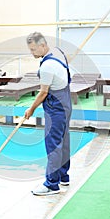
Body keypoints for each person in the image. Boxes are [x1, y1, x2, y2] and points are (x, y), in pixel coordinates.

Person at [24, 32, 72, 196]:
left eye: (33, 49)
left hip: (56, 108)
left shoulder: (46, 66)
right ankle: (63, 176)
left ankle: (52, 184)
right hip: (66, 103)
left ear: (43, 45)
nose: (32, 53)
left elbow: (43, 93)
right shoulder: (58, 53)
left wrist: (30, 110)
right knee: (63, 140)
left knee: (53, 145)